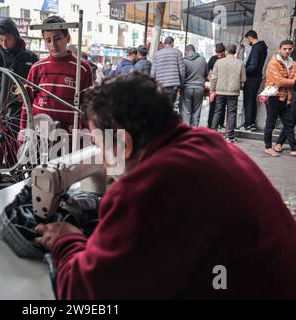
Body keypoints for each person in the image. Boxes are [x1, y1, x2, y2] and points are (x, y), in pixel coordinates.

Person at [34, 72, 296, 299]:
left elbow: (87, 295)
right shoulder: (207, 141)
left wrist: (66, 240)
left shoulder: (147, 189)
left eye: (99, 144)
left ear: (124, 144)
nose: (102, 158)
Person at [20, 15, 93, 135]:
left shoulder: (83, 69)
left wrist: (87, 135)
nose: (53, 44)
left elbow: (88, 106)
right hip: (39, 136)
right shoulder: (37, 68)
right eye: (48, 40)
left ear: (67, 38)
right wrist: (23, 132)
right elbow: (26, 103)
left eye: (57, 38)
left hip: (70, 138)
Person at [0, 17, 38, 129]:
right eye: (0, 40)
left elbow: (39, 85)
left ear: (16, 36)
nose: (4, 43)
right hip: (4, 114)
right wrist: (8, 98)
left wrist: (27, 94)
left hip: (29, 111)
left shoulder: (32, 58)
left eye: (8, 39)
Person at [262, 40, 296, 157]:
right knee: (270, 123)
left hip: (287, 97)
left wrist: (289, 82)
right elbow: (279, 81)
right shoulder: (273, 63)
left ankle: (293, 148)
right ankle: (268, 147)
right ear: (279, 49)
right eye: (285, 49)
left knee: (289, 123)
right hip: (273, 97)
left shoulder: (293, 63)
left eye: (290, 49)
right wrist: (293, 82)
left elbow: (288, 80)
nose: (287, 51)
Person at [210, 44, 246, 143]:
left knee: (218, 111)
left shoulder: (218, 62)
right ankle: (229, 136)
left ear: (226, 51)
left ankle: (213, 134)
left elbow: (214, 78)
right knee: (231, 113)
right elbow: (243, 79)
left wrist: (212, 90)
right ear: (235, 52)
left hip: (220, 91)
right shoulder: (240, 63)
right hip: (233, 92)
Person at [242, 30, 268, 132]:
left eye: (246, 39)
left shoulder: (257, 48)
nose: (247, 42)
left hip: (252, 78)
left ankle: (248, 124)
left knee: (248, 101)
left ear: (250, 38)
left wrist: (244, 70)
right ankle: (251, 124)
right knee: (252, 101)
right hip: (256, 78)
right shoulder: (261, 47)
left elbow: (253, 66)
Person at [150, 36, 185, 104]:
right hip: (173, 86)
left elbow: (152, 73)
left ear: (164, 43)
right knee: (170, 106)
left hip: (160, 85)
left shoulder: (157, 54)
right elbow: (182, 71)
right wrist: (181, 83)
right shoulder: (177, 52)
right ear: (172, 43)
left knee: (161, 107)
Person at [181, 44, 207, 127]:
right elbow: (206, 74)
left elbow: (182, 75)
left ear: (186, 51)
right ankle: (195, 130)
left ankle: (186, 131)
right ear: (194, 50)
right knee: (196, 110)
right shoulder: (202, 59)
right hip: (199, 88)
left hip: (187, 88)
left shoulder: (184, 61)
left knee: (186, 111)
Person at [206, 43, 226, 128]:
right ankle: (210, 123)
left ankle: (220, 124)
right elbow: (206, 71)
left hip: (223, 86)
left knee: (222, 105)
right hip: (214, 86)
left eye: (221, 53)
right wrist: (210, 79)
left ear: (224, 51)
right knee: (213, 105)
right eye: (218, 53)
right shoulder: (213, 59)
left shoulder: (226, 59)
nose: (219, 55)